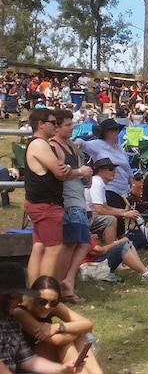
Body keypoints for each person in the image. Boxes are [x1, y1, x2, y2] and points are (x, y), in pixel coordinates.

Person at [0, 263, 82, 374]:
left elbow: (29, 360)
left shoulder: (11, 322)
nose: (20, 301)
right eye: (15, 297)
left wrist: (61, 369)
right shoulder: (18, 314)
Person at [11, 275, 102, 374]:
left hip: (45, 356)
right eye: (42, 301)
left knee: (78, 338)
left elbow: (88, 324)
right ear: (31, 297)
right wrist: (77, 330)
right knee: (67, 343)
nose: (47, 307)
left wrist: (57, 327)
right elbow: (57, 341)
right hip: (28, 362)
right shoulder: (19, 312)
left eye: (53, 303)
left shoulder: (53, 307)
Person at [48, 109, 93, 304]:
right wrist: (80, 172)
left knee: (83, 242)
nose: (71, 127)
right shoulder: (54, 146)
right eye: (67, 124)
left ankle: (68, 280)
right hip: (67, 199)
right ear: (57, 126)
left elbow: (77, 171)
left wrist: (86, 175)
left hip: (78, 197)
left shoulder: (72, 147)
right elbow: (60, 174)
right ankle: (59, 284)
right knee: (70, 243)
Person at [25, 108, 72, 285]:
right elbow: (60, 173)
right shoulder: (40, 144)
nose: (56, 125)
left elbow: (60, 169)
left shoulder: (38, 144)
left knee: (39, 247)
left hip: (39, 203)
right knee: (53, 249)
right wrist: (68, 169)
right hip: (46, 204)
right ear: (40, 124)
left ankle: (35, 291)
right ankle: (44, 292)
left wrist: (65, 168)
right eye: (53, 123)